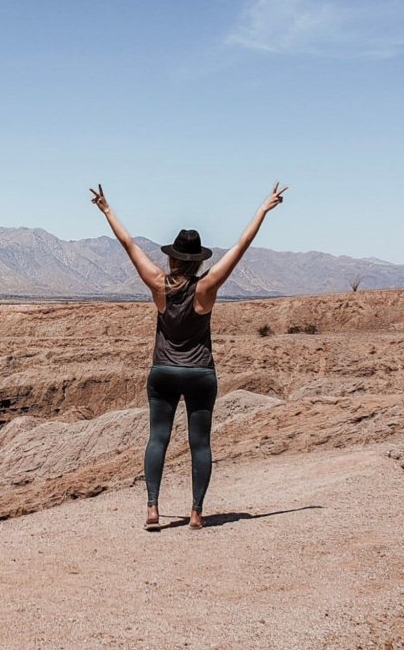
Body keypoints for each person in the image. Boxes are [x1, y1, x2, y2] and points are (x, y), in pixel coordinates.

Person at [89, 182, 287, 530]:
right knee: (200, 443)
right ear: (197, 261)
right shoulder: (207, 287)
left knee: (158, 438)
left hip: (163, 371)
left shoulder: (158, 284)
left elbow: (128, 244)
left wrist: (107, 210)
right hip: (199, 374)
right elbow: (241, 246)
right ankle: (196, 513)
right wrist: (263, 209)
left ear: (171, 258)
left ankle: (153, 510)